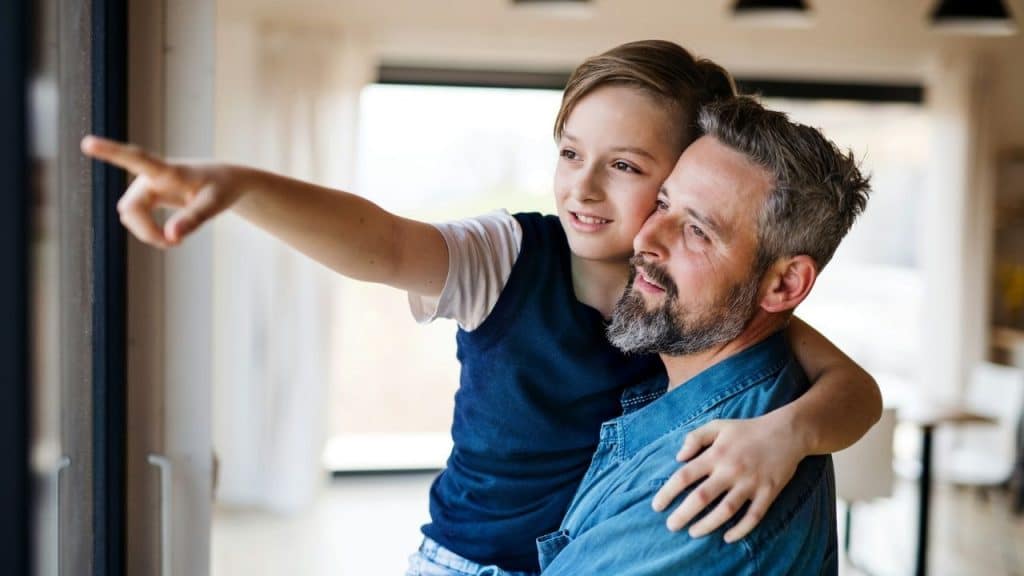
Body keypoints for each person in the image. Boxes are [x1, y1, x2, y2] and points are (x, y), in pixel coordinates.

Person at [81, 41, 880, 576]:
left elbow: (853, 388)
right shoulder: (511, 255)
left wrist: (789, 433)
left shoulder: (696, 307)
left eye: (627, 168)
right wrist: (241, 187)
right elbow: (381, 242)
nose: (582, 186)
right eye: (570, 153)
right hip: (463, 561)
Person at [538, 96, 871, 575]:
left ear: (783, 285)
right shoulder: (735, 381)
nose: (645, 239)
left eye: (697, 230)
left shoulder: (708, 485)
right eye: (662, 204)